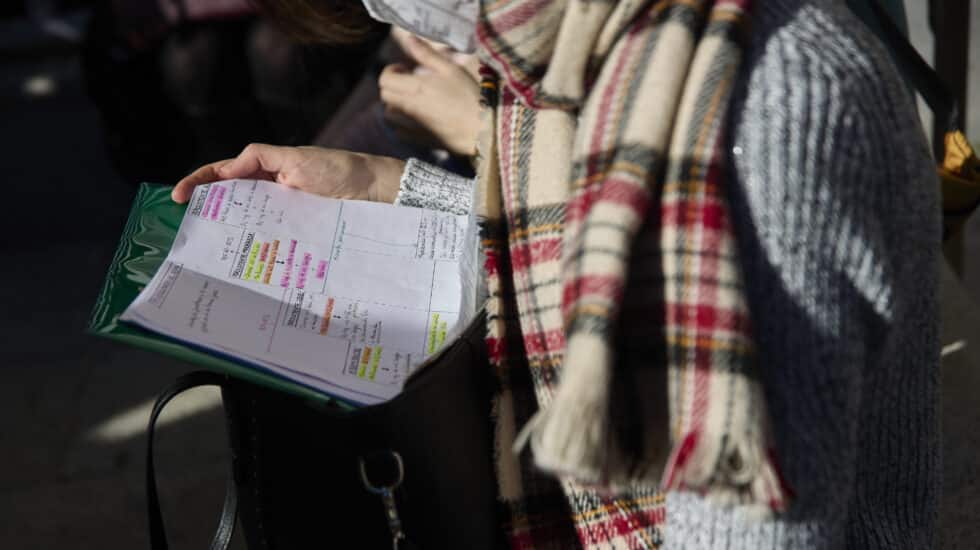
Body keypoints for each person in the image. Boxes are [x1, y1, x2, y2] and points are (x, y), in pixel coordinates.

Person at [172, 0, 941, 548]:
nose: (385, 14)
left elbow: (753, 527)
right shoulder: (593, 45)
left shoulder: (762, 93)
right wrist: (382, 187)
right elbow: (591, 238)